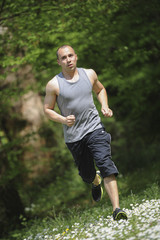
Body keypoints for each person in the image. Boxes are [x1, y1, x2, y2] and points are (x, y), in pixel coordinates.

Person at [44, 45, 127, 220]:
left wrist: (104, 106)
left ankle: (117, 209)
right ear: (58, 61)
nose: (68, 60)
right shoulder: (53, 85)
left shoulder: (89, 74)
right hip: (74, 137)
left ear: (76, 57)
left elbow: (100, 89)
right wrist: (63, 120)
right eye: (64, 58)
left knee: (105, 163)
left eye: (70, 56)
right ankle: (94, 180)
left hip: (94, 127)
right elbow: (47, 110)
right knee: (87, 174)